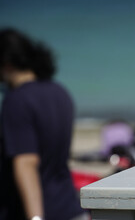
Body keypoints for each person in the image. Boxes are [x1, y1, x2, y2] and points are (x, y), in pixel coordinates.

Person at [0, 29, 86, 220]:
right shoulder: (60, 92)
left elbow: (26, 162)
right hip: (70, 207)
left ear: (6, 63)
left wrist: (36, 218)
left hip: (33, 211)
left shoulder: (17, 100)